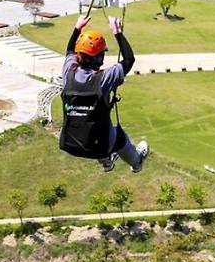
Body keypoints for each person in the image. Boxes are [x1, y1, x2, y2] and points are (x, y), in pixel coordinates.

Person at [59, 15, 149, 173]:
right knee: (119, 137)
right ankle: (137, 163)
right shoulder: (103, 79)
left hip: (70, 142)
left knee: (92, 124)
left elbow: (69, 50)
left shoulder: (68, 72)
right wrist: (117, 32)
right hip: (99, 145)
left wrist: (77, 28)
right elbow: (129, 60)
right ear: (99, 57)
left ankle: (107, 162)